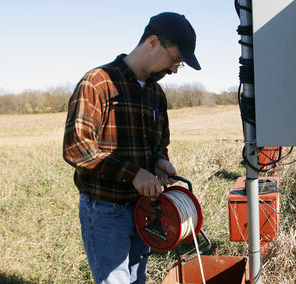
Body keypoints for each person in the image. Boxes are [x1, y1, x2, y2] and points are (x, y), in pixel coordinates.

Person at [62, 12, 201, 284]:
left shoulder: (155, 93)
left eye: (179, 65)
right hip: (105, 210)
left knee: (138, 280)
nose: (174, 69)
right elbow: (77, 147)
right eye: (174, 59)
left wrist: (160, 161)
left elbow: (160, 142)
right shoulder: (97, 82)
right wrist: (134, 174)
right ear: (152, 42)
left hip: (147, 208)